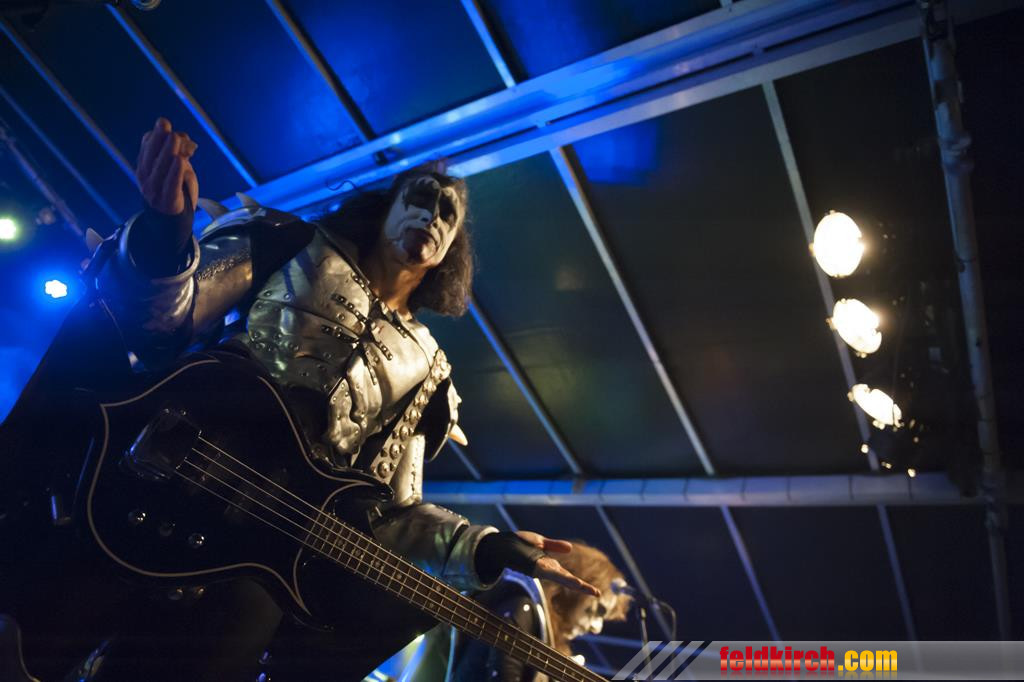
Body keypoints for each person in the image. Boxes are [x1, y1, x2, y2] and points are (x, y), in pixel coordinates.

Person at [0, 118, 597, 682]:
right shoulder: (290, 244)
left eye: (448, 213)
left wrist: (482, 547)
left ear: (452, 247)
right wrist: (164, 232)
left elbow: (388, 513)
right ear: (386, 205)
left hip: (254, 551)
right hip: (145, 469)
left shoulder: (431, 372)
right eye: (420, 196)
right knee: (29, 637)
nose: (431, 215)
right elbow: (159, 324)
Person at [412, 542, 631, 682]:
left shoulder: (540, 627)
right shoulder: (522, 607)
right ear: (574, 589)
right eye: (598, 611)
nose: (596, 627)